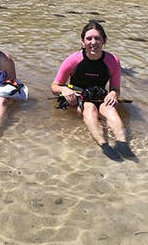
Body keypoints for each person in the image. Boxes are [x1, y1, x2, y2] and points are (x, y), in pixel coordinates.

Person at [51, 21, 134, 160]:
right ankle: (104, 144)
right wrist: (64, 90)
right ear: (83, 41)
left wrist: (113, 94)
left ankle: (122, 143)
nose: (93, 42)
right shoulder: (73, 59)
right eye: (89, 38)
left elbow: (115, 89)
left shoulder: (113, 60)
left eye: (97, 38)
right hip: (77, 98)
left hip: (100, 97)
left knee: (111, 109)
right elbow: (54, 86)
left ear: (104, 41)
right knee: (89, 108)